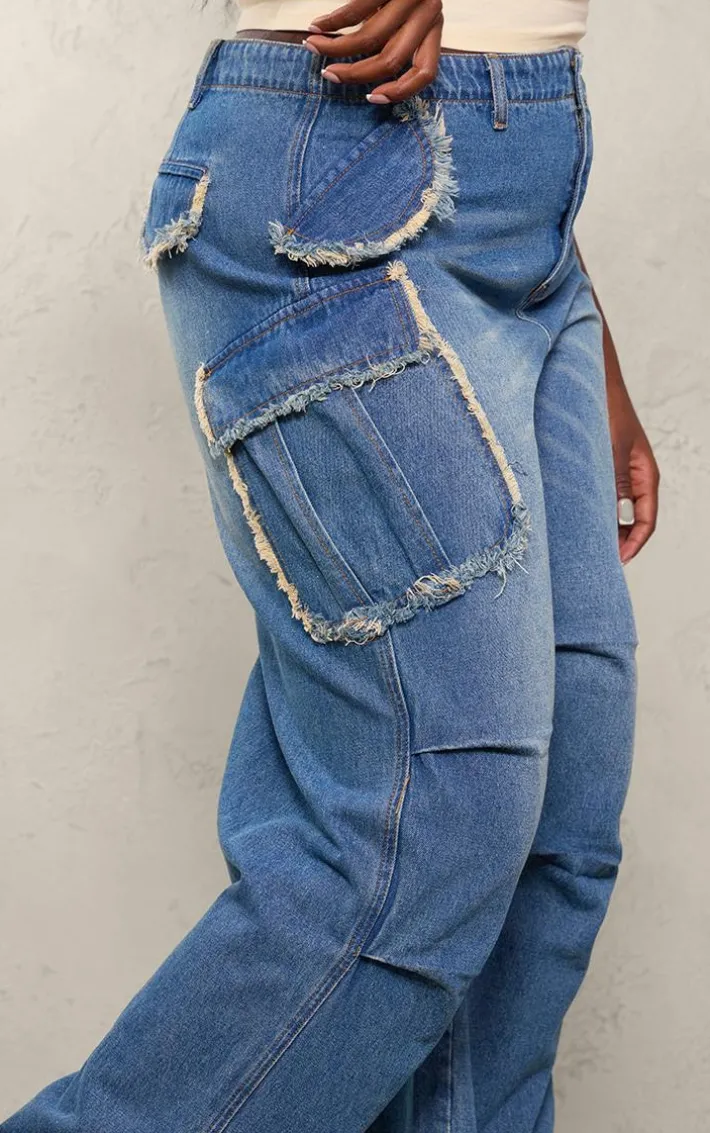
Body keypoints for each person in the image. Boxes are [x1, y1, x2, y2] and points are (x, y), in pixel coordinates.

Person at [3, 1, 660, 1130]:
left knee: (555, 837)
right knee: (421, 835)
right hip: (340, 168)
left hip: (533, 215)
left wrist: (580, 322)